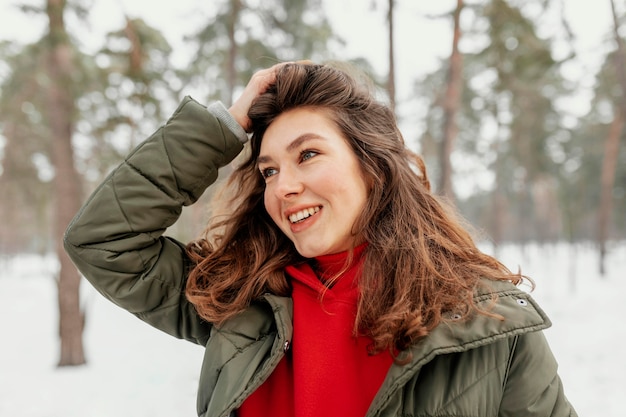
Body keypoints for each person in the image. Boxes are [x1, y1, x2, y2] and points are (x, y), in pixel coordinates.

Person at [64, 61, 578, 417]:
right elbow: (104, 240)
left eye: (307, 154)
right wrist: (222, 128)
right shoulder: (241, 298)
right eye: (268, 171)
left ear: (372, 167)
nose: (284, 186)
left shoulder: (486, 322)